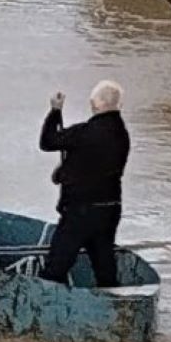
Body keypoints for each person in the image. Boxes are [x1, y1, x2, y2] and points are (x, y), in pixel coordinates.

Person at [38, 80, 130, 288]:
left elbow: (48, 141)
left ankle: (46, 305)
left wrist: (55, 111)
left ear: (95, 104)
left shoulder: (85, 132)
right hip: (110, 208)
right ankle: (113, 306)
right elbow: (93, 164)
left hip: (80, 211)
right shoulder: (122, 136)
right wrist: (64, 171)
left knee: (56, 267)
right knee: (105, 267)